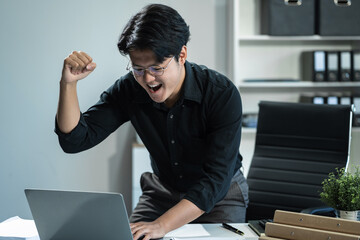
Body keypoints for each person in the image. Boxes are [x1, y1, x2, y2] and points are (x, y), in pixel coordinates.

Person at [55, 3, 248, 240]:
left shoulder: (221, 93)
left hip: (221, 195)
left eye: (157, 68)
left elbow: (215, 181)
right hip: (163, 192)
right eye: (137, 68)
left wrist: (161, 225)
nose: (147, 79)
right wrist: (69, 84)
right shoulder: (129, 89)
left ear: (182, 55)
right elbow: (75, 140)